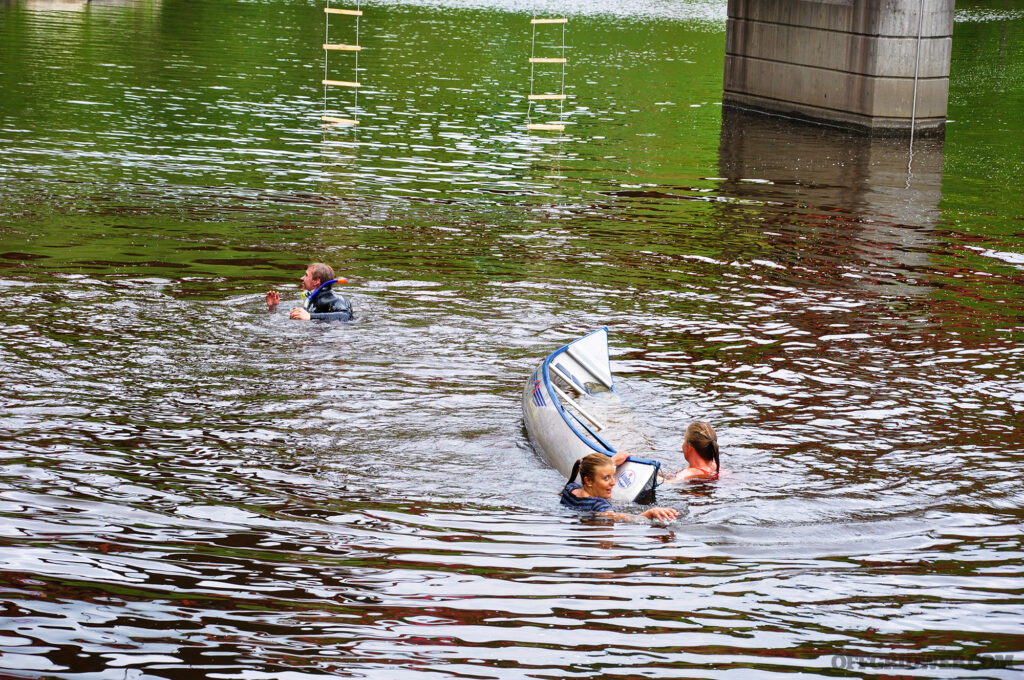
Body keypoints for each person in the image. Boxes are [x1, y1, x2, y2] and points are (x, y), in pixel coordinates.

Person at [560, 452, 679, 522]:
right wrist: (650, 513)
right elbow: (618, 517)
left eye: (613, 476)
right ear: (589, 481)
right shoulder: (599, 505)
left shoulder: (569, 489)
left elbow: (585, 486)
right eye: (606, 478)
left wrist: (610, 463)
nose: (613, 483)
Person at [266, 263, 353, 322]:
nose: (302, 278)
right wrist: (273, 306)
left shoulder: (335, 299)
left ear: (316, 282)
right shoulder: (313, 298)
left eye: (306, 275)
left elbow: (345, 316)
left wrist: (310, 316)